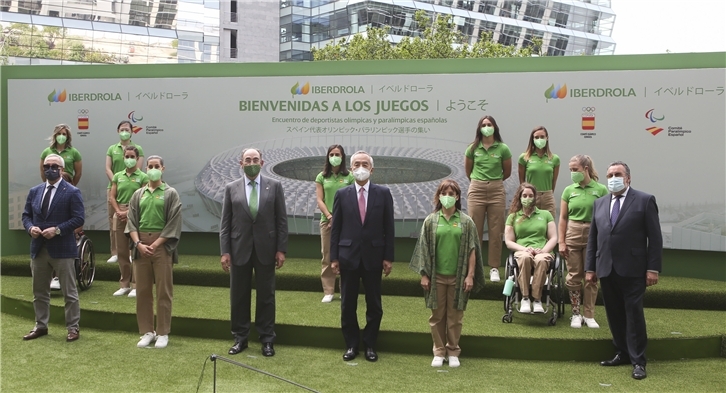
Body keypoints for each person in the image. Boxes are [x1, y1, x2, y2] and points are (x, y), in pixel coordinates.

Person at [586, 161, 662, 380]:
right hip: (606, 269)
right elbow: (594, 239)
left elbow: (655, 238)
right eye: (609, 175)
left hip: (634, 269)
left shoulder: (645, 200)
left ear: (628, 178)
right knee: (614, 314)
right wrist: (590, 268)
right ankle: (622, 352)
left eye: (617, 174)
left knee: (633, 314)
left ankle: (639, 361)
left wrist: (653, 269)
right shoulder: (599, 203)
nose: (612, 178)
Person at [409, 179, 485, 368]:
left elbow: (472, 250)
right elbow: (423, 249)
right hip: (436, 277)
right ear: (439, 196)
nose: (448, 197)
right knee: (437, 316)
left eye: (452, 194)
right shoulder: (431, 221)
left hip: (458, 278)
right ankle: (438, 351)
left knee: (455, 316)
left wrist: (470, 275)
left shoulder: (466, 222)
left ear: (458, 197)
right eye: (445, 193)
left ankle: (453, 351)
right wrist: (424, 275)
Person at [220, 148, 288, 357]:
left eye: (255, 159)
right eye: (247, 159)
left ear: (262, 162)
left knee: (266, 296)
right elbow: (225, 223)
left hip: (266, 250)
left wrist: (281, 249)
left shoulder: (274, 186)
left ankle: (267, 339)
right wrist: (225, 252)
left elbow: (281, 220)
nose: (251, 162)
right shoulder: (231, 188)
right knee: (238, 296)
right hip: (239, 248)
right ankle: (240, 338)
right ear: (241, 163)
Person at [330, 150, 395, 363]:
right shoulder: (342, 194)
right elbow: (336, 228)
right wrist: (334, 257)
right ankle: (351, 344)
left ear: (372, 169)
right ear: (350, 169)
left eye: (364, 164)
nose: (360, 168)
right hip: (347, 256)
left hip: (374, 257)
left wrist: (388, 257)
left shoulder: (383, 193)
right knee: (347, 304)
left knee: (374, 304)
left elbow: (389, 227)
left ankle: (370, 344)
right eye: (356, 164)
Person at [21, 154, 85, 342]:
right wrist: (30, 227)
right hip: (39, 248)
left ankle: (73, 327)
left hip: (63, 249)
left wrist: (57, 230)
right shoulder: (35, 191)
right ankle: (41, 326)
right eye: (47, 165)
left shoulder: (72, 191)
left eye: (54, 166)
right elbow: (26, 215)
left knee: (69, 292)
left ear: (62, 169)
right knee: (39, 291)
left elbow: (79, 218)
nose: (50, 169)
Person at [126, 155, 182, 349]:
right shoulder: (138, 194)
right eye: (150, 166)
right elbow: (131, 221)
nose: (152, 169)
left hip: (162, 247)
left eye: (156, 166)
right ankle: (147, 332)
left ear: (163, 169)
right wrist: (139, 244)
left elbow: (174, 222)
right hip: (140, 246)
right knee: (142, 291)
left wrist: (156, 244)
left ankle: (163, 332)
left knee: (163, 292)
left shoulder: (170, 193)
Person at [558, 155, 608, 329]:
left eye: (575, 169)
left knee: (591, 276)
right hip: (572, 232)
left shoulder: (601, 190)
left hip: (593, 234)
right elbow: (563, 218)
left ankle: (589, 314)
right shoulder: (568, 190)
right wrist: (561, 242)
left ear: (586, 169)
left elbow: (605, 217)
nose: (572, 173)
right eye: (570, 170)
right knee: (573, 276)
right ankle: (575, 313)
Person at [465, 115, 512, 283]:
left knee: (496, 229)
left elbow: (506, 172)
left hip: (496, 190)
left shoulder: (503, 148)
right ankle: (474, 267)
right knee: (474, 230)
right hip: (476, 189)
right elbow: (468, 171)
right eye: (484, 125)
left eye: (489, 124)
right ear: (479, 128)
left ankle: (494, 268)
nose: (486, 127)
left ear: (495, 127)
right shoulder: (472, 148)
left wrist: (492, 181)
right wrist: (480, 182)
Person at [40, 123, 83, 290]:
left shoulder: (74, 153)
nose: (61, 136)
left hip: (67, 185)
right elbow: (42, 174)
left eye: (64, 133)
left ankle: (59, 276)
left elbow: (78, 173)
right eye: (59, 133)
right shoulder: (46, 152)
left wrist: (67, 188)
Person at [504, 183, 557, 314]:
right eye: (524, 195)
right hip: (522, 252)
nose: (527, 198)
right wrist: (524, 249)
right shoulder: (513, 217)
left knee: (541, 260)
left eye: (531, 195)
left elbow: (554, 238)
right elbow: (509, 241)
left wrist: (544, 250)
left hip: (542, 251)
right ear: (519, 197)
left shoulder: (546, 214)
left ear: (535, 198)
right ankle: (525, 298)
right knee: (526, 258)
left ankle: (537, 299)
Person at [315, 144, 354, 303]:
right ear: (328, 157)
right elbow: (320, 200)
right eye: (331, 154)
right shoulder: (321, 177)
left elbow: (352, 200)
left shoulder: (350, 176)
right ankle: (329, 291)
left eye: (337, 154)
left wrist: (339, 219)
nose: (334, 157)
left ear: (343, 156)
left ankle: (345, 290)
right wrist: (331, 217)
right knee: (328, 256)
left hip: (346, 223)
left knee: (346, 256)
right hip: (327, 222)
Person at [110, 146, 148, 298]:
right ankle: (124, 284)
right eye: (127, 156)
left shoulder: (143, 177)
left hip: (135, 213)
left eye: (132, 156)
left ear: (137, 158)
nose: (129, 159)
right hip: (119, 213)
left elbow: (143, 198)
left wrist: (128, 212)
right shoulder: (118, 176)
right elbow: (112, 196)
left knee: (135, 252)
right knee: (122, 252)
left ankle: (135, 285)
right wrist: (118, 211)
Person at [105, 121, 144, 264]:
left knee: (133, 221)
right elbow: (108, 168)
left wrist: (126, 181)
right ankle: (115, 252)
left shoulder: (137, 148)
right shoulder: (112, 148)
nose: (124, 132)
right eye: (122, 129)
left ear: (132, 132)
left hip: (133, 188)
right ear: (117, 131)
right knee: (113, 221)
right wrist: (117, 181)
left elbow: (138, 170)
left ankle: (131, 251)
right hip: (114, 188)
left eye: (127, 129)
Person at [518, 126, 559, 219]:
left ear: (547, 138)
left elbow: (554, 181)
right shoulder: (524, 157)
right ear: (532, 139)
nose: (539, 139)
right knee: (530, 224)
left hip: (548, 197)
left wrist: (548, 194)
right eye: (536, 137)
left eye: (542, 137)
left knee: (549, 225)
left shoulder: (554, 159)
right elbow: (522, 182)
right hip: (531, 196)